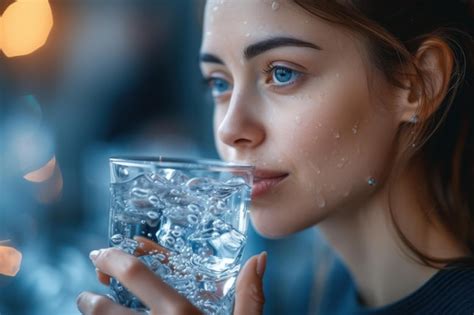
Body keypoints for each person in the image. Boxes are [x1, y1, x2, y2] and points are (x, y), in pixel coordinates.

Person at [76, 0, 474, 314]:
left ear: (418, 84)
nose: (229, 129)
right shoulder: (310, 291)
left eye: (282, 73)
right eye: (219, 82)